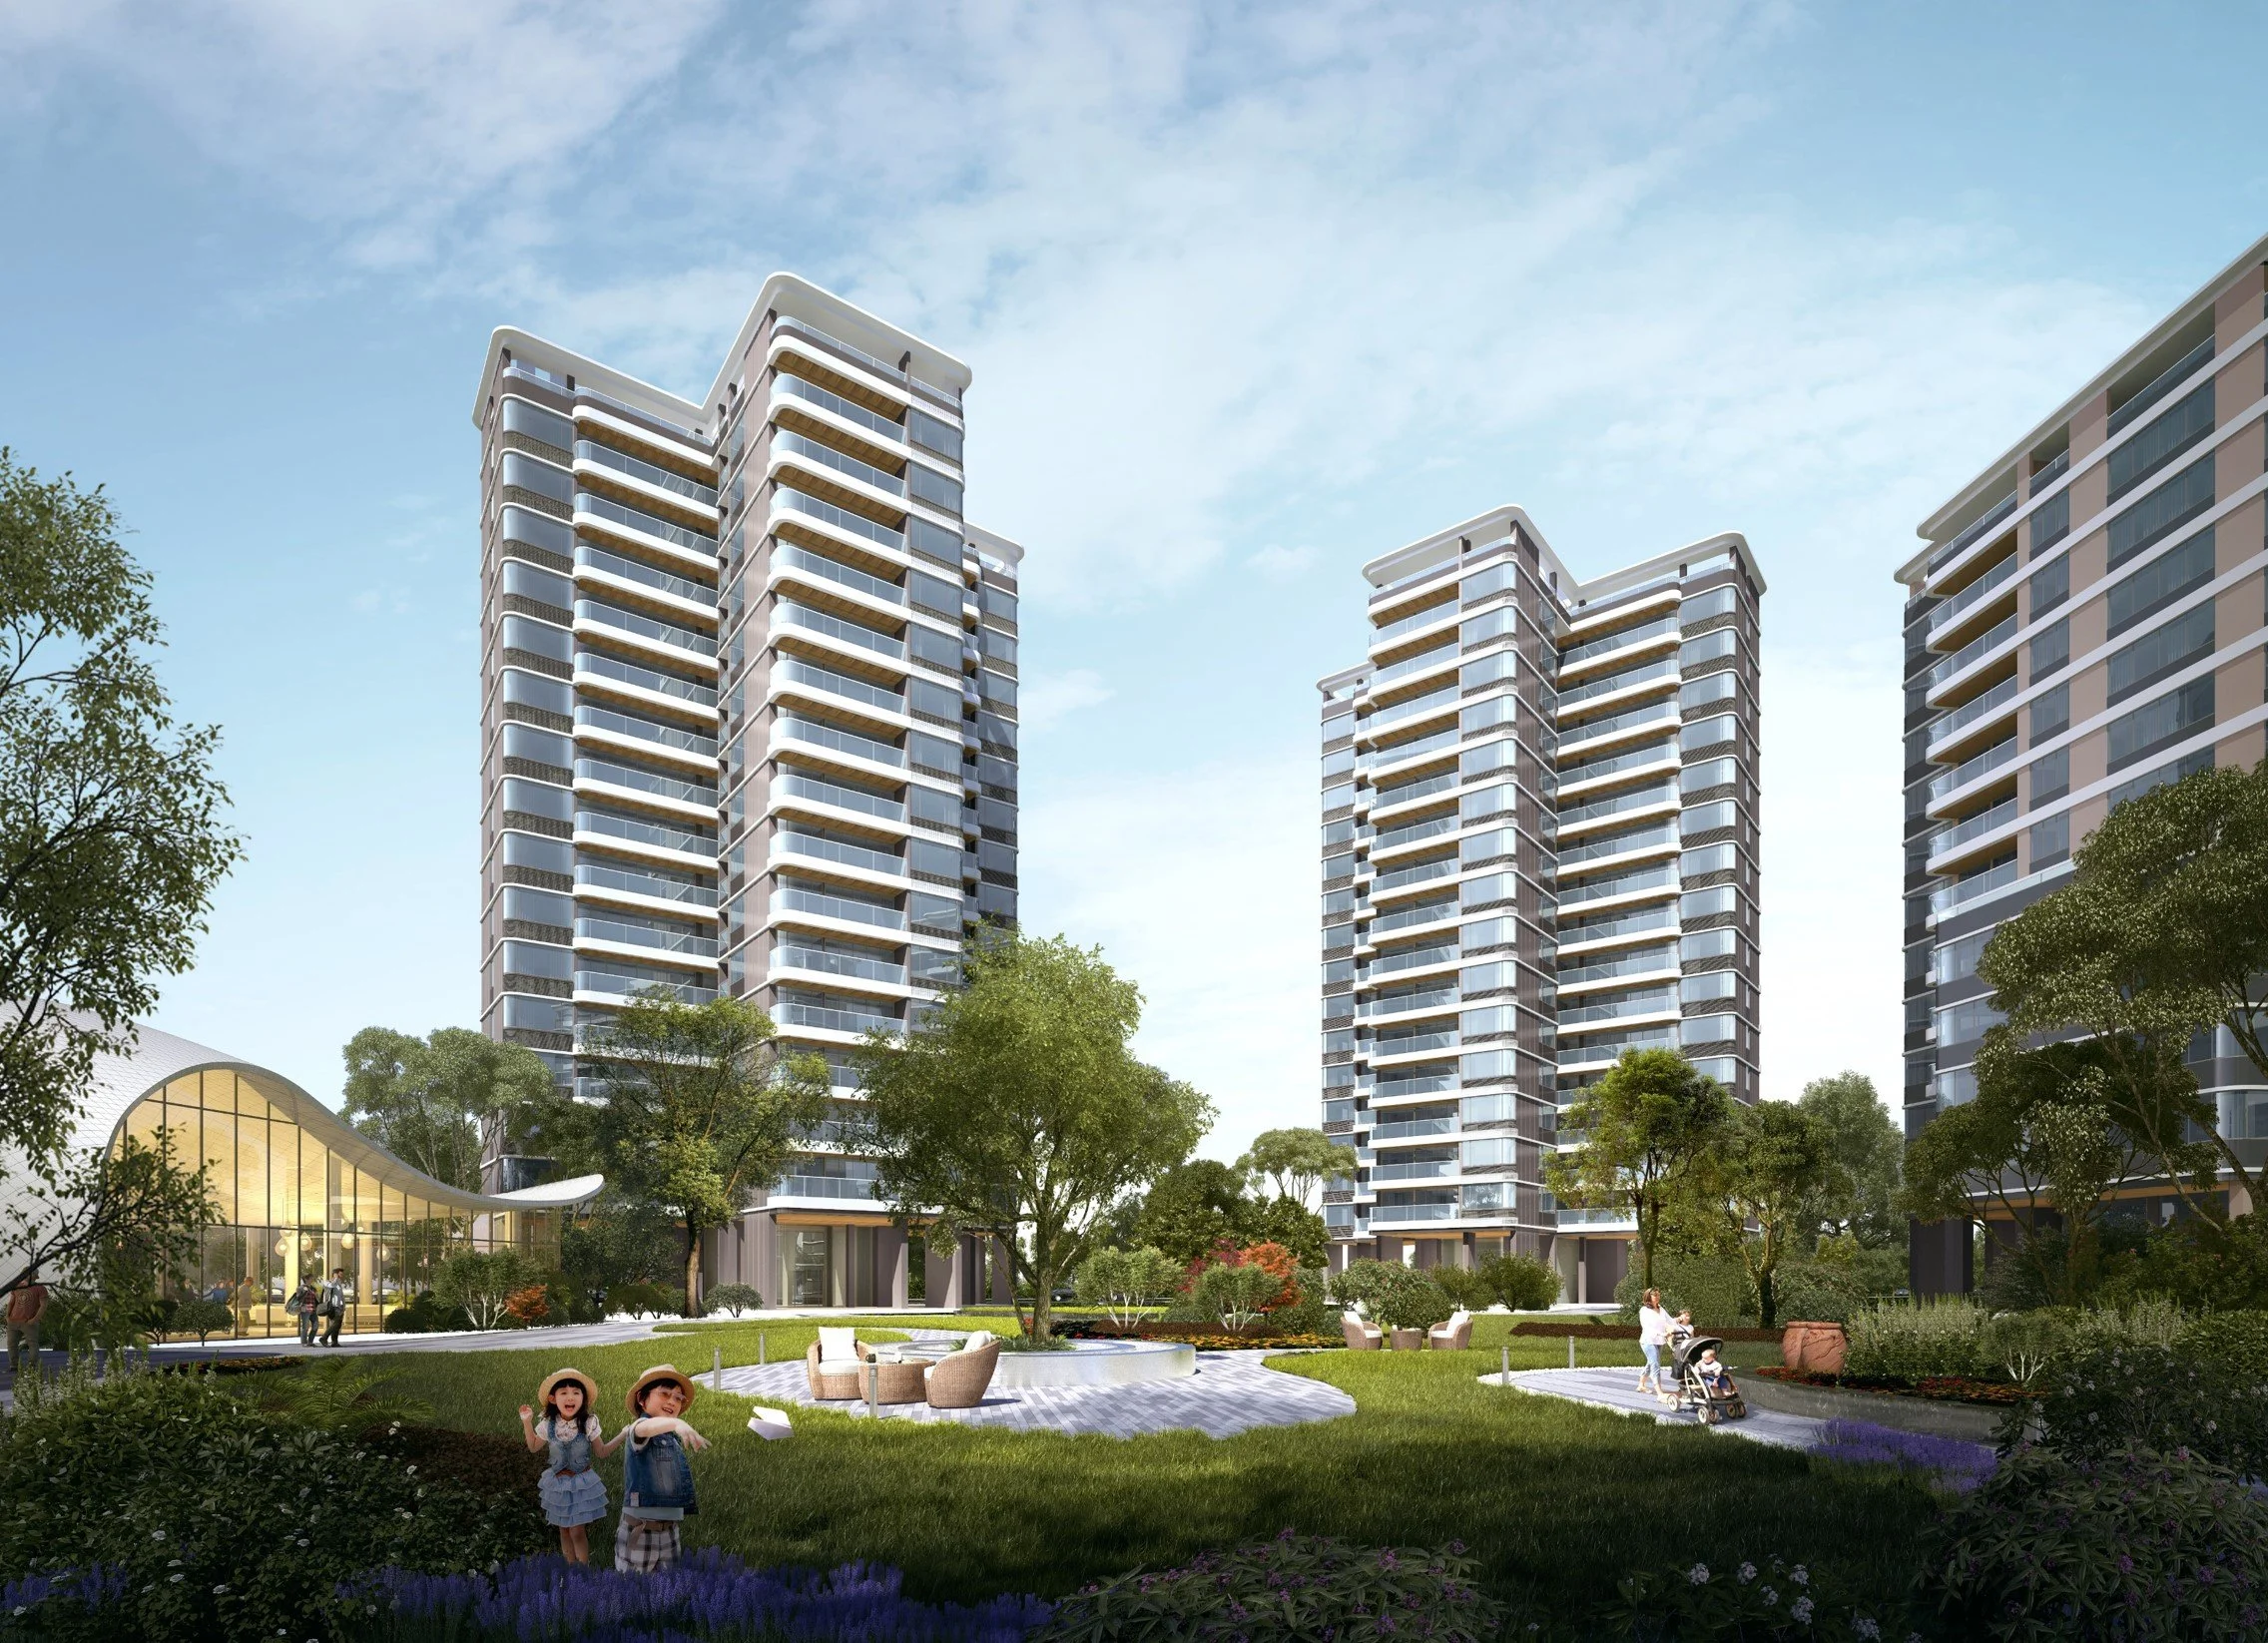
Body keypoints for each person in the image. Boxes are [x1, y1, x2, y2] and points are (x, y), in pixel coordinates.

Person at [614, 1365, 709, 1573]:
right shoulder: (638, 1429)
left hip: (669, 1530)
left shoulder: (670, 1439)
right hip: (640, 1529)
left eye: (678, 1398)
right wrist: (677, 1424)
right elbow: (644, 1427)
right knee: (632, 1592)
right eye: (665, 1393)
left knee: (667, 1591)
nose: (672, 1401)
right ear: (641, 1398)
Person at [520, 1369, 610, 1564]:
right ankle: (570, 1569)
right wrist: (526, 1422)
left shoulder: (587, 1423)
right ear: (553, 1399)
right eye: (564, 1393)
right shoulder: (548, 1424)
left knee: (577, 1529)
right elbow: (534, 1447)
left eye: (576, 1393)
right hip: (558, 1482)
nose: (570, 1397)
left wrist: (622, 1436)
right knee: (564, 1528)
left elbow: (601, 1451)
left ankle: (582, 1571)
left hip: (581, 1482)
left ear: (583, 1398)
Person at [5, 1270, 49, 1372]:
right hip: (13, 1321)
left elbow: (44, 1306)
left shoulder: (41, 1288)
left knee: (32, 1344)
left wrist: (34, 1319)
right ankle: (14, 1366)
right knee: (11, 1344)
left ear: (35, 1275)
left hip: (29, 1322)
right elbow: (11, 1302)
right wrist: (7, 1316)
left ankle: (32, 1366)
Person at [1635, 1288, 1674, 1395]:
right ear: (1649, 1297)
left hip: (1659, 1341)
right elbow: (1646, 1327)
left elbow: (1670, 1321)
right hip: (1648, 1341)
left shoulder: (1661, 1308)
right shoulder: (1644, 1310)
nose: (1657, 1297)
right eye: (1655, 1295)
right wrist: (1662, 1334)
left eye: (1658, 1295)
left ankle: (1641, 1385)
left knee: (1651, 1363)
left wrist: (1681, 1319)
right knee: (1655, 1365)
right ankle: (1659, 1391)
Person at [319, 1268, 348, 1348]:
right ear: (335, 1274)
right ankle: (324, 1338)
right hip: (332, 1307)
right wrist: (335, 1278)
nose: (342, 1275)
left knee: (337, 1325)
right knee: (335, 1323)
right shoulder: (327, 1282)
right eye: (340, 1274)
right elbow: (332, 1285)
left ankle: (334, 1342)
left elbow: (341, 1296)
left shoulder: (339, 1283)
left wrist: (344, 1306)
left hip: (339, 1307)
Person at [291, 1278, 320, 1347]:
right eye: (310, 1278)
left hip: (313, 1309)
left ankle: (310, 1342)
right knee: (305, 1327)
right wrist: (304, 1291)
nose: (312, 1280)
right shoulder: (300, 1288)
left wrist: (317, 1296)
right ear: (307, 1280)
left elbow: (317, 1298)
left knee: (315, 1326)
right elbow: (298, 1298)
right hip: (305, 1309)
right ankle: (304, 1342)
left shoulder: (313, 1288)